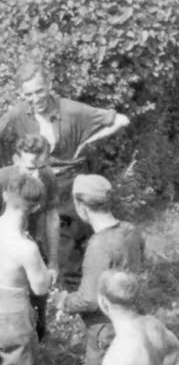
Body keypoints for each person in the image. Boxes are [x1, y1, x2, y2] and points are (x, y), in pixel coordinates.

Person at [0, 60, 130, 285]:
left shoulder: (71, 109)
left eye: (39, 91)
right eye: (28, 94)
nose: (35, 98)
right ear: (22, 94)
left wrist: (88, 142)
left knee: (69, 240)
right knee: (32, 235)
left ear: (49, 85)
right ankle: (38, 286)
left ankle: (75, 294)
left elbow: (121, 120)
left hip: (68, 183)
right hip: (34, 182)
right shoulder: (18, 114)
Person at [59, 174, 145, 365]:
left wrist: (63, 301)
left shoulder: (98, 246)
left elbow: (89, 298)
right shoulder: (130, 231)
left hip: (103, 328)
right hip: (130, 318)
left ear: (82, 206)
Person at [0, 173, 51, 365]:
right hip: (12, 312)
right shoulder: (26, 247)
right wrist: (49, 273)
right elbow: (40, 288)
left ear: (6, 196)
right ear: (35, 207)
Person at [0, 134, 59, 341]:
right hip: (7, 245)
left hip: (34, 245)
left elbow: (52, 217)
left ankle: (36, 341)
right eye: (29, 168)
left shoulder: (48, 177)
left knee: (38, 299)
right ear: (16, 159)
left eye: (38, 168)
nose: (34, 176)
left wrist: (53, 261)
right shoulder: (4, 178)